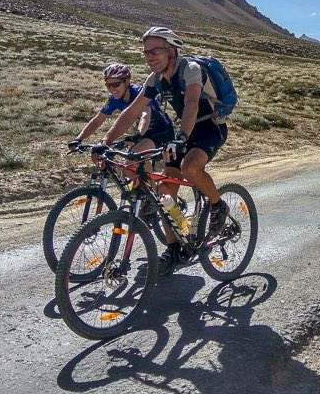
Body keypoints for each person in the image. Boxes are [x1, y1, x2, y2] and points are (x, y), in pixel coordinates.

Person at [101, 27, 229, 276]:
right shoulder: (155, 79)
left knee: (190, 167)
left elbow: (192, 102)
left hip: (209, 126)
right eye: (146, 52)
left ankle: (217, 204)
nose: (149, 57)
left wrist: (182, 137)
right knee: (166, 191)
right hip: (184, 132)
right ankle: (174, 247)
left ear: (172, 49)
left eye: (155, 51)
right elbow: (131, 112)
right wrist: (106, 141)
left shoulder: (190, 68)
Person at [68, 63, 174, 153]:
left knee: (132, 161)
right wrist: (78, 139)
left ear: (127, 82)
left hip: (162, 132)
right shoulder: (113, 99)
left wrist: (138, 135)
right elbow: (98, 120)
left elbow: (145, 115)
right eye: (108, 85)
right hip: (142, 134)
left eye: (116, 84)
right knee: (111, 160)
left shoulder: (139, 93)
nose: (112, 89)